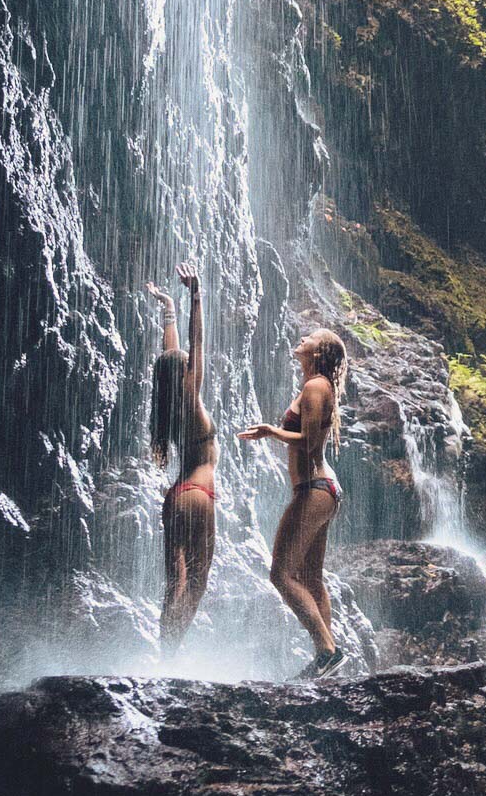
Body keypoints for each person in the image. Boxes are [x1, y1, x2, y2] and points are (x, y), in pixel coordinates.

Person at [240, 329, 347, 679]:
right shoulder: (317, 384)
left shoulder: (315, 386)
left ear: (320, 353)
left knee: (281, 574)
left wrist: (271, 431)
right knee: (311, 577)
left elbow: (312, 444)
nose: (303, 337)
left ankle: (326, 651)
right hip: (322, 489)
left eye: (312, 336)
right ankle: (328, 658)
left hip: (314, 488)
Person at [147, 262, 216, 650]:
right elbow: (198, 341)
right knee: (197, 583)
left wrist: (168, 309)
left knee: (176, 581)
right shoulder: (192, 397)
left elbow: (170, 354)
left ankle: (165, 653)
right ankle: (172, 649)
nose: (191, 358)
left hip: (176, 496)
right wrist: (195, 296)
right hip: (200, 496)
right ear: (186, 372)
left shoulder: (170, 400)